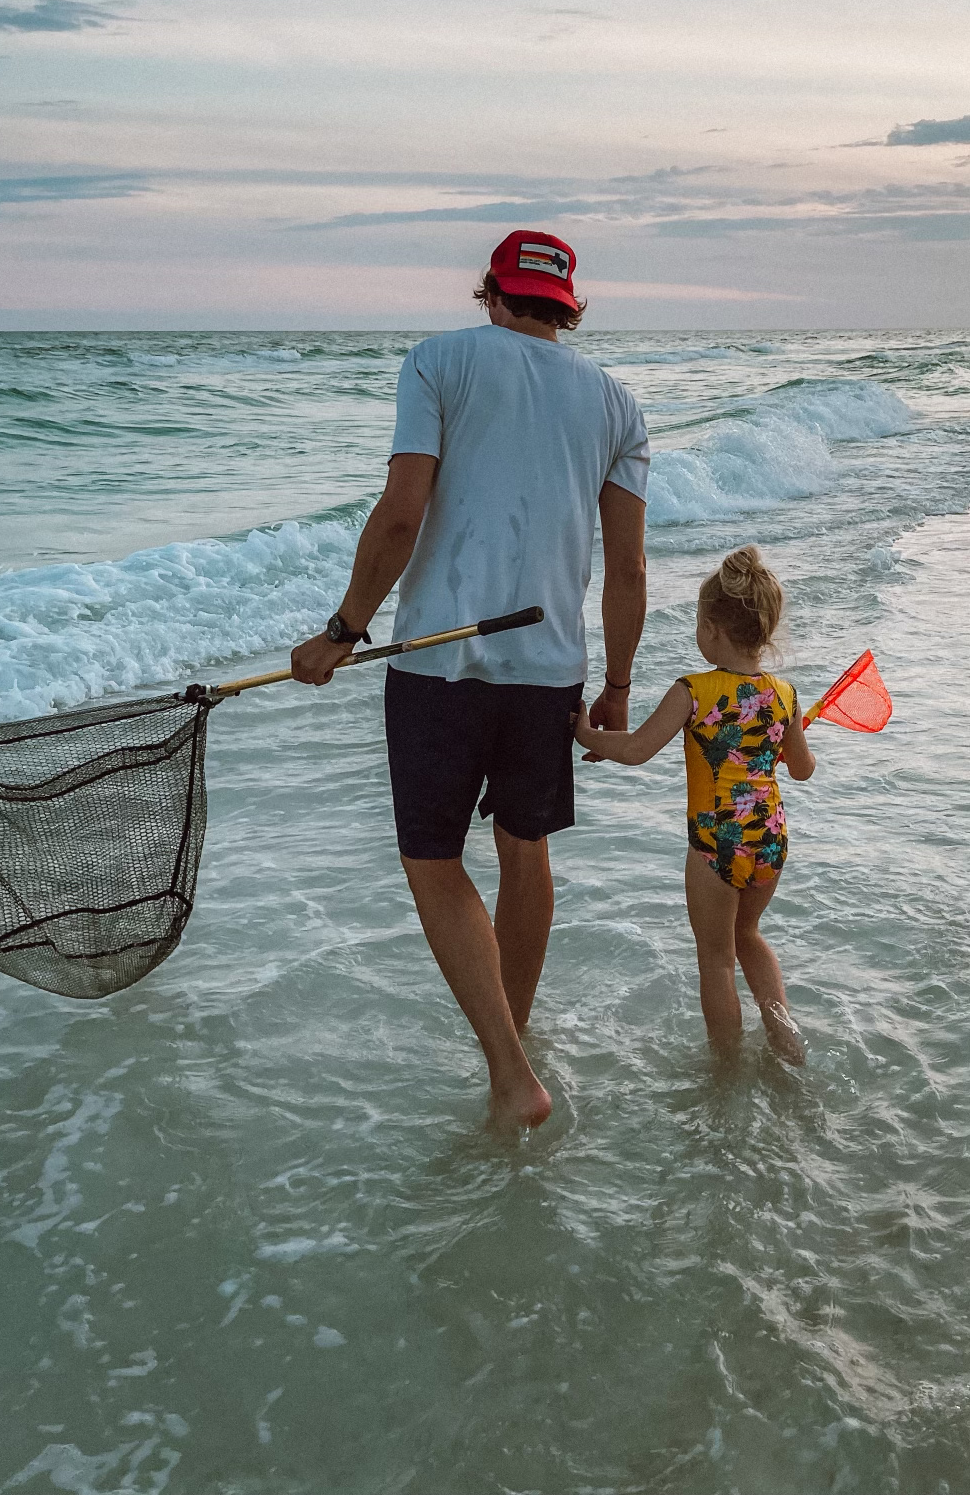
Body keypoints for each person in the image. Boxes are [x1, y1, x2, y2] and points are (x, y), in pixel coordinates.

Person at [291, 230, 649, 1128]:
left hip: (439, 662)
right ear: (569, 307)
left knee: (432, 859)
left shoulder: (437, 361)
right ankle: (513, 1043)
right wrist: (615, 686)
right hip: (551, 667)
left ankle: (508, 1071)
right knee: (525, 852)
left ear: (491, 289)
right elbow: (631, 569)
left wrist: (344, 630)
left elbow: (402, 515)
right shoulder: (617, 403)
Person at [572, 546, 815, 1064]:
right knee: (749, 935)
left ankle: (727, 1068)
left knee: (717, 960)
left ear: (711, 628)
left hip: (715, 844)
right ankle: (787, 1042)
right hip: (770, 840)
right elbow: (802, 768)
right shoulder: (785, 694)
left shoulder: (693, 691)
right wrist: (791, 732)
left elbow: (636, 750)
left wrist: (584, 732)